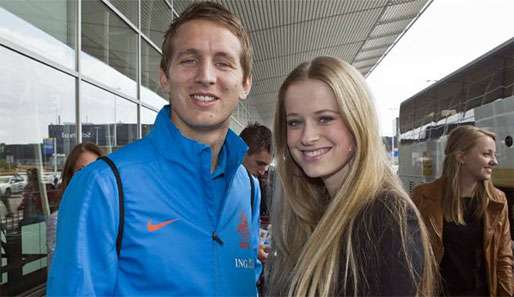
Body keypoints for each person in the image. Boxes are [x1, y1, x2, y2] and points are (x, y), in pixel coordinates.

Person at [47, 2, 261, 296]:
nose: (206, 76)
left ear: (245, 83)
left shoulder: (247, 187)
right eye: (189, 60)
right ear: (164, 76)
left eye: (223, 62)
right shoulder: (103, 187)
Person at [267, 56, 436, 297]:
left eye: (325, 118)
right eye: (294, 122)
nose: (307, 136)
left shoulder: (387, 216)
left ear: (357, 121)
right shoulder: (310, 211)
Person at [412, 125, 513, 297]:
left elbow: (503, 259)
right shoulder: (424, 197)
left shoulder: (497, 201)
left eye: (494, 155)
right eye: (487, 154)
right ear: (461, 156)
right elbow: (410, 257)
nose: (494, 161)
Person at [46, 142, 102, 269]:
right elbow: (58, 272)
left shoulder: (115, 215)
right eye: (81, 170)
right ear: (70, 176)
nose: (90, 175)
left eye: (95, 169)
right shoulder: (59, 220)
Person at [240, 122, 273, 218]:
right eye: (259, 163)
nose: (262, 172)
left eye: (266, 166)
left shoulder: (254, 185)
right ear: (242, 152)